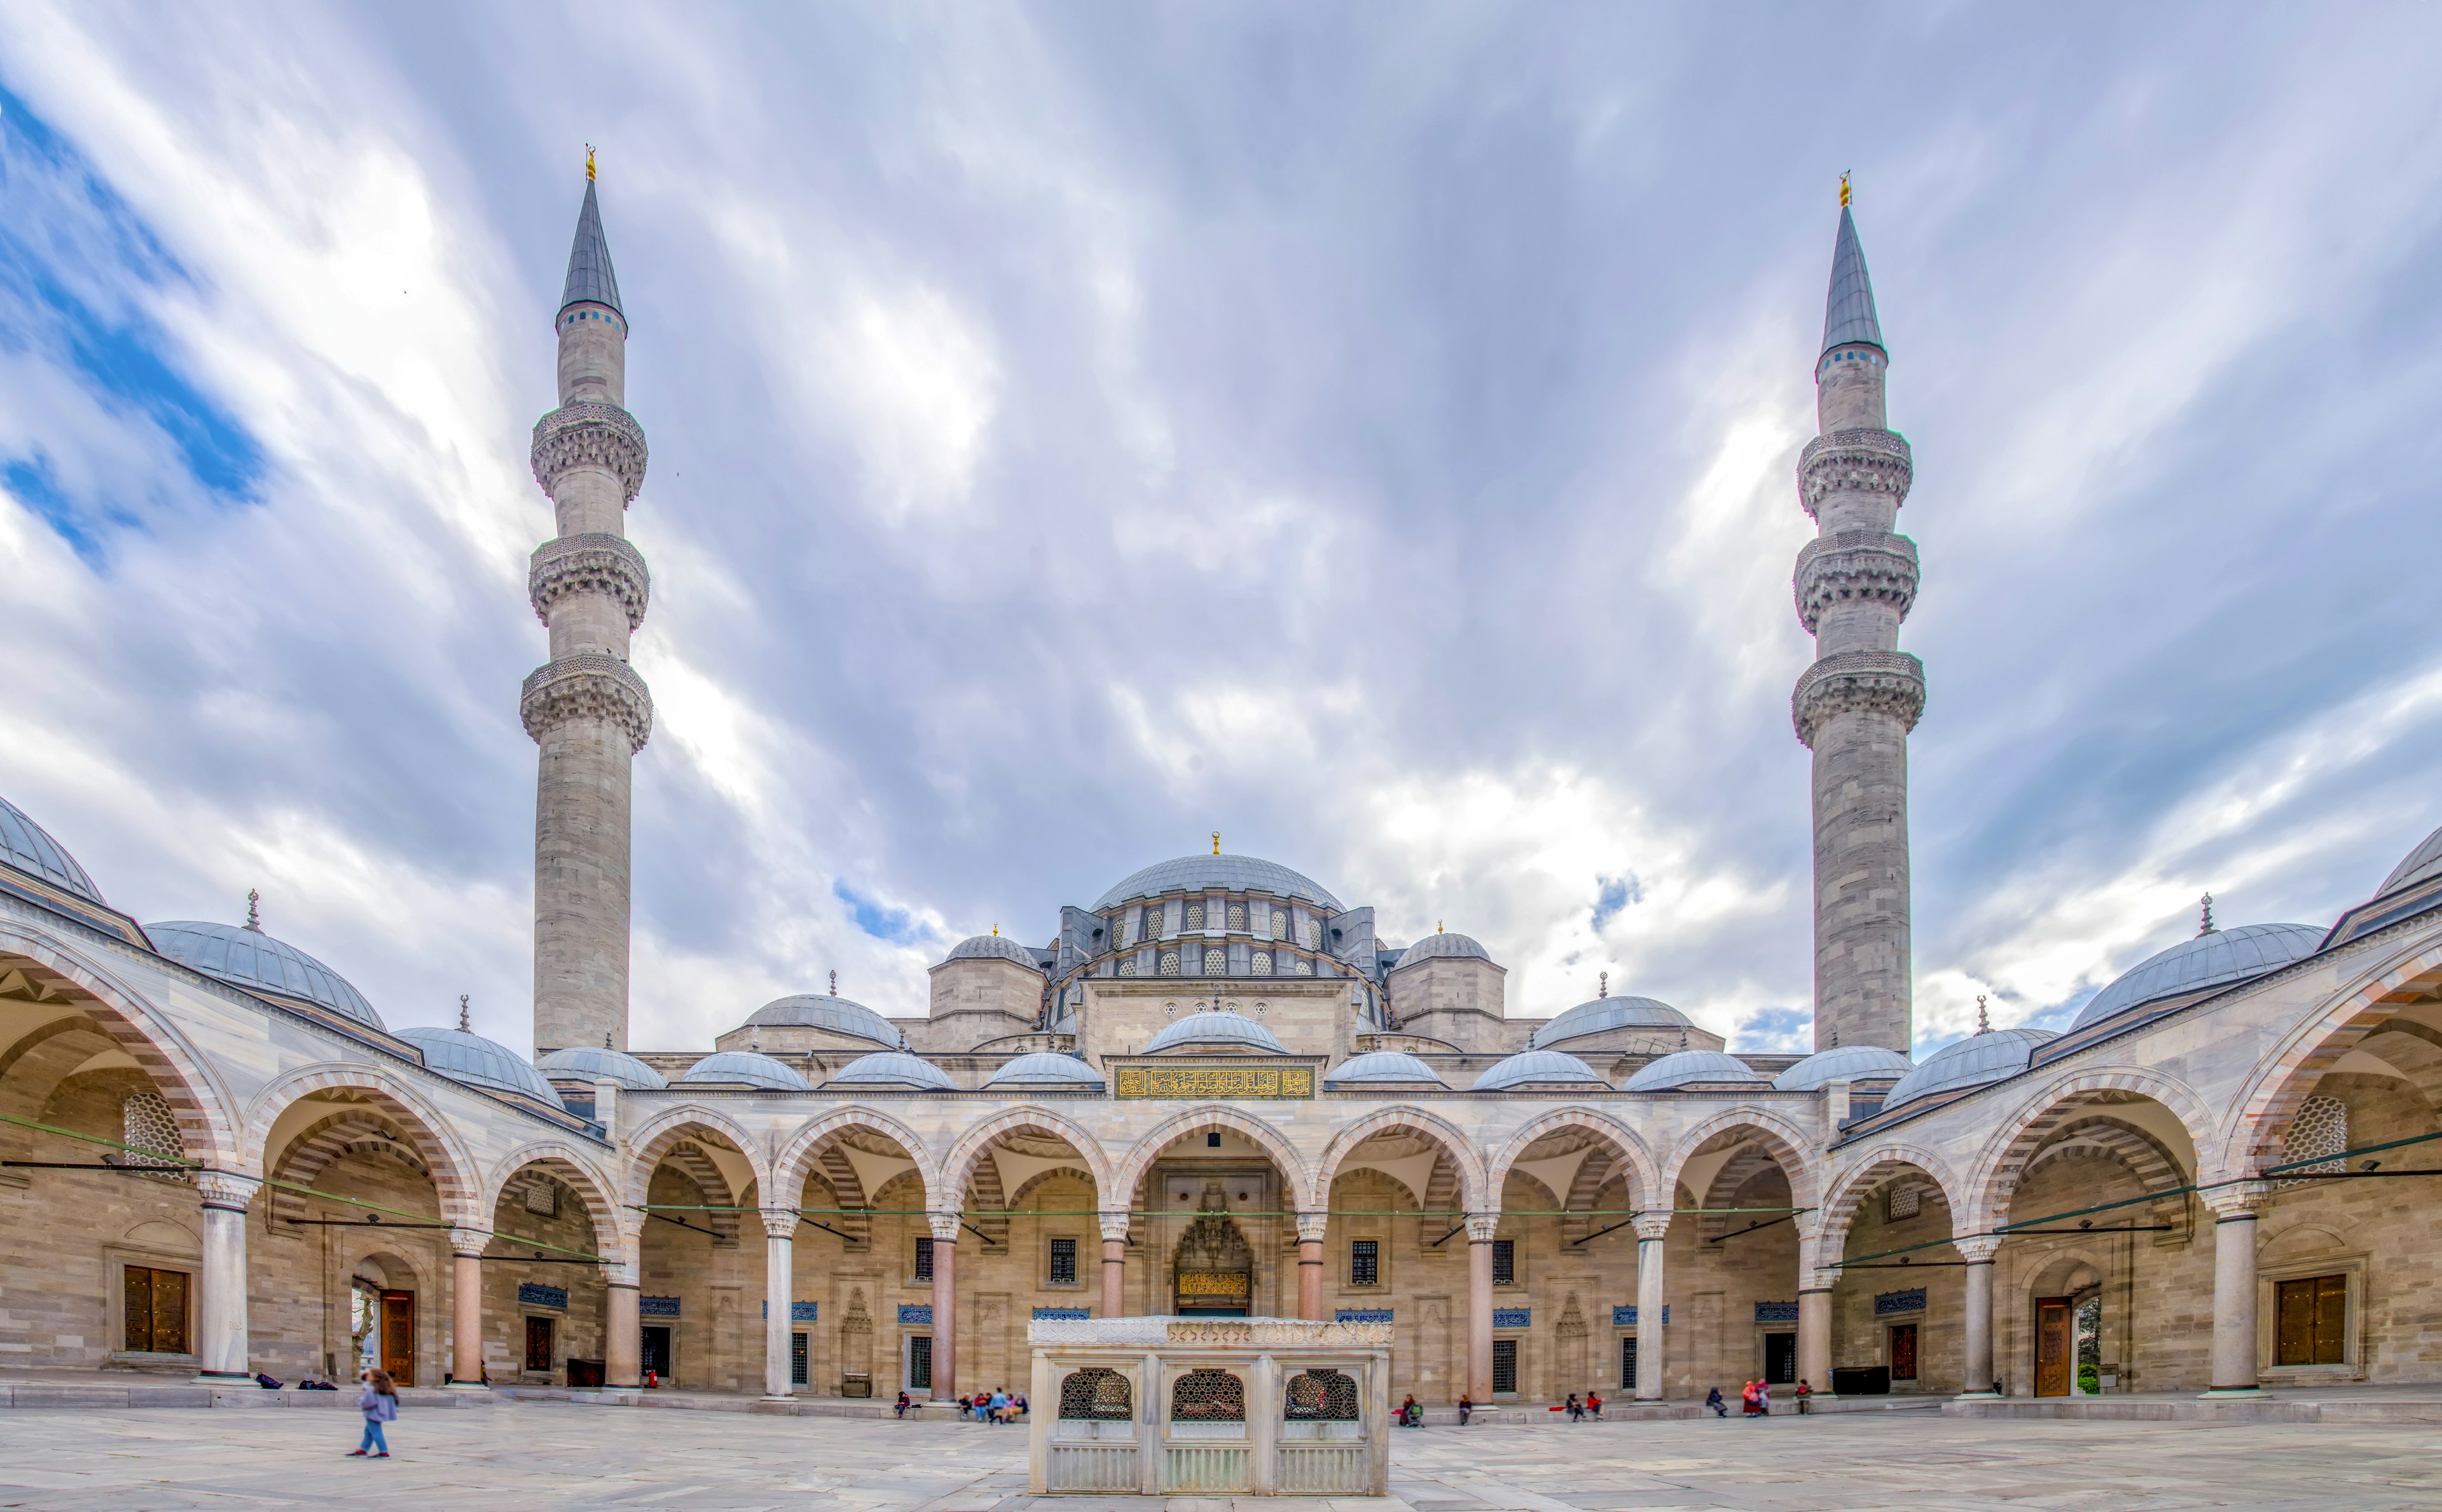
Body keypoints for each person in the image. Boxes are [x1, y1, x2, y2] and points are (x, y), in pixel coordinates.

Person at [348, 1368, 397, 1458]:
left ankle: (383, 1451)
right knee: (369, 1431)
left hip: (373, 1414)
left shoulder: (372, 1388)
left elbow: (368, 1402)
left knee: (376, 1432)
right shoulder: (385, 1388)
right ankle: (363, 1449)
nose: (368, 1377)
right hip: (380, 1413)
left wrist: (360, 1400)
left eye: (369, 1375)